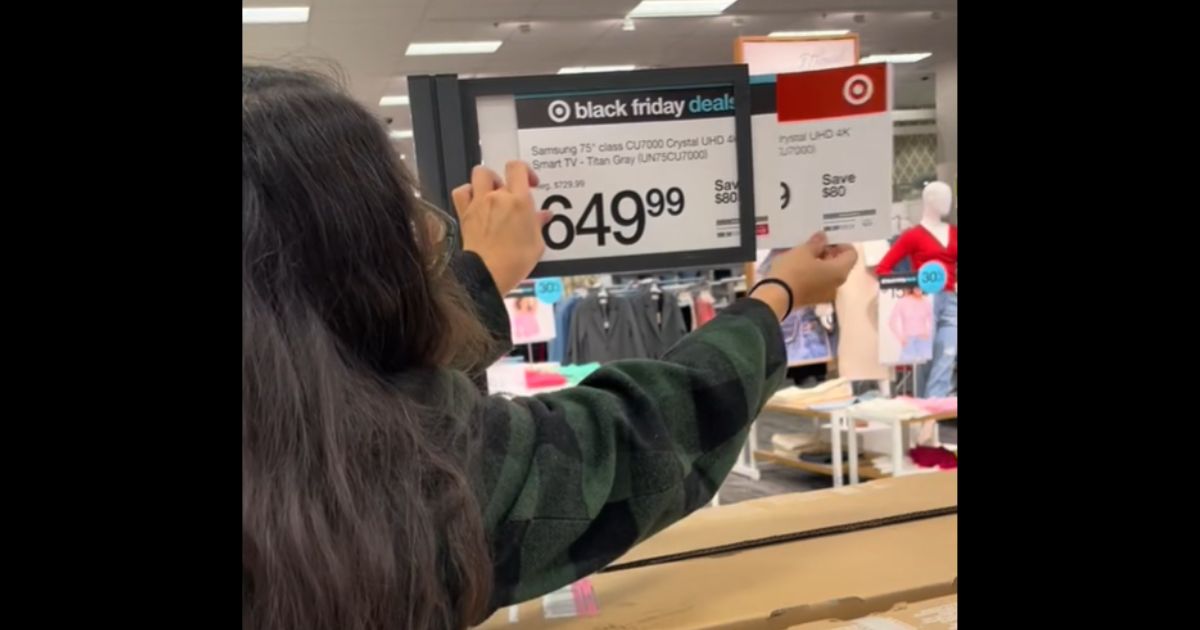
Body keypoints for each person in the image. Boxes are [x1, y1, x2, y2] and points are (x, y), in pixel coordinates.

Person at [242, 65, 857, 630]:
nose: (427, 229)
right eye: (397, 220)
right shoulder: (417, 478)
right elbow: (648, 432)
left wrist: (481, 274)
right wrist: (780, 291)